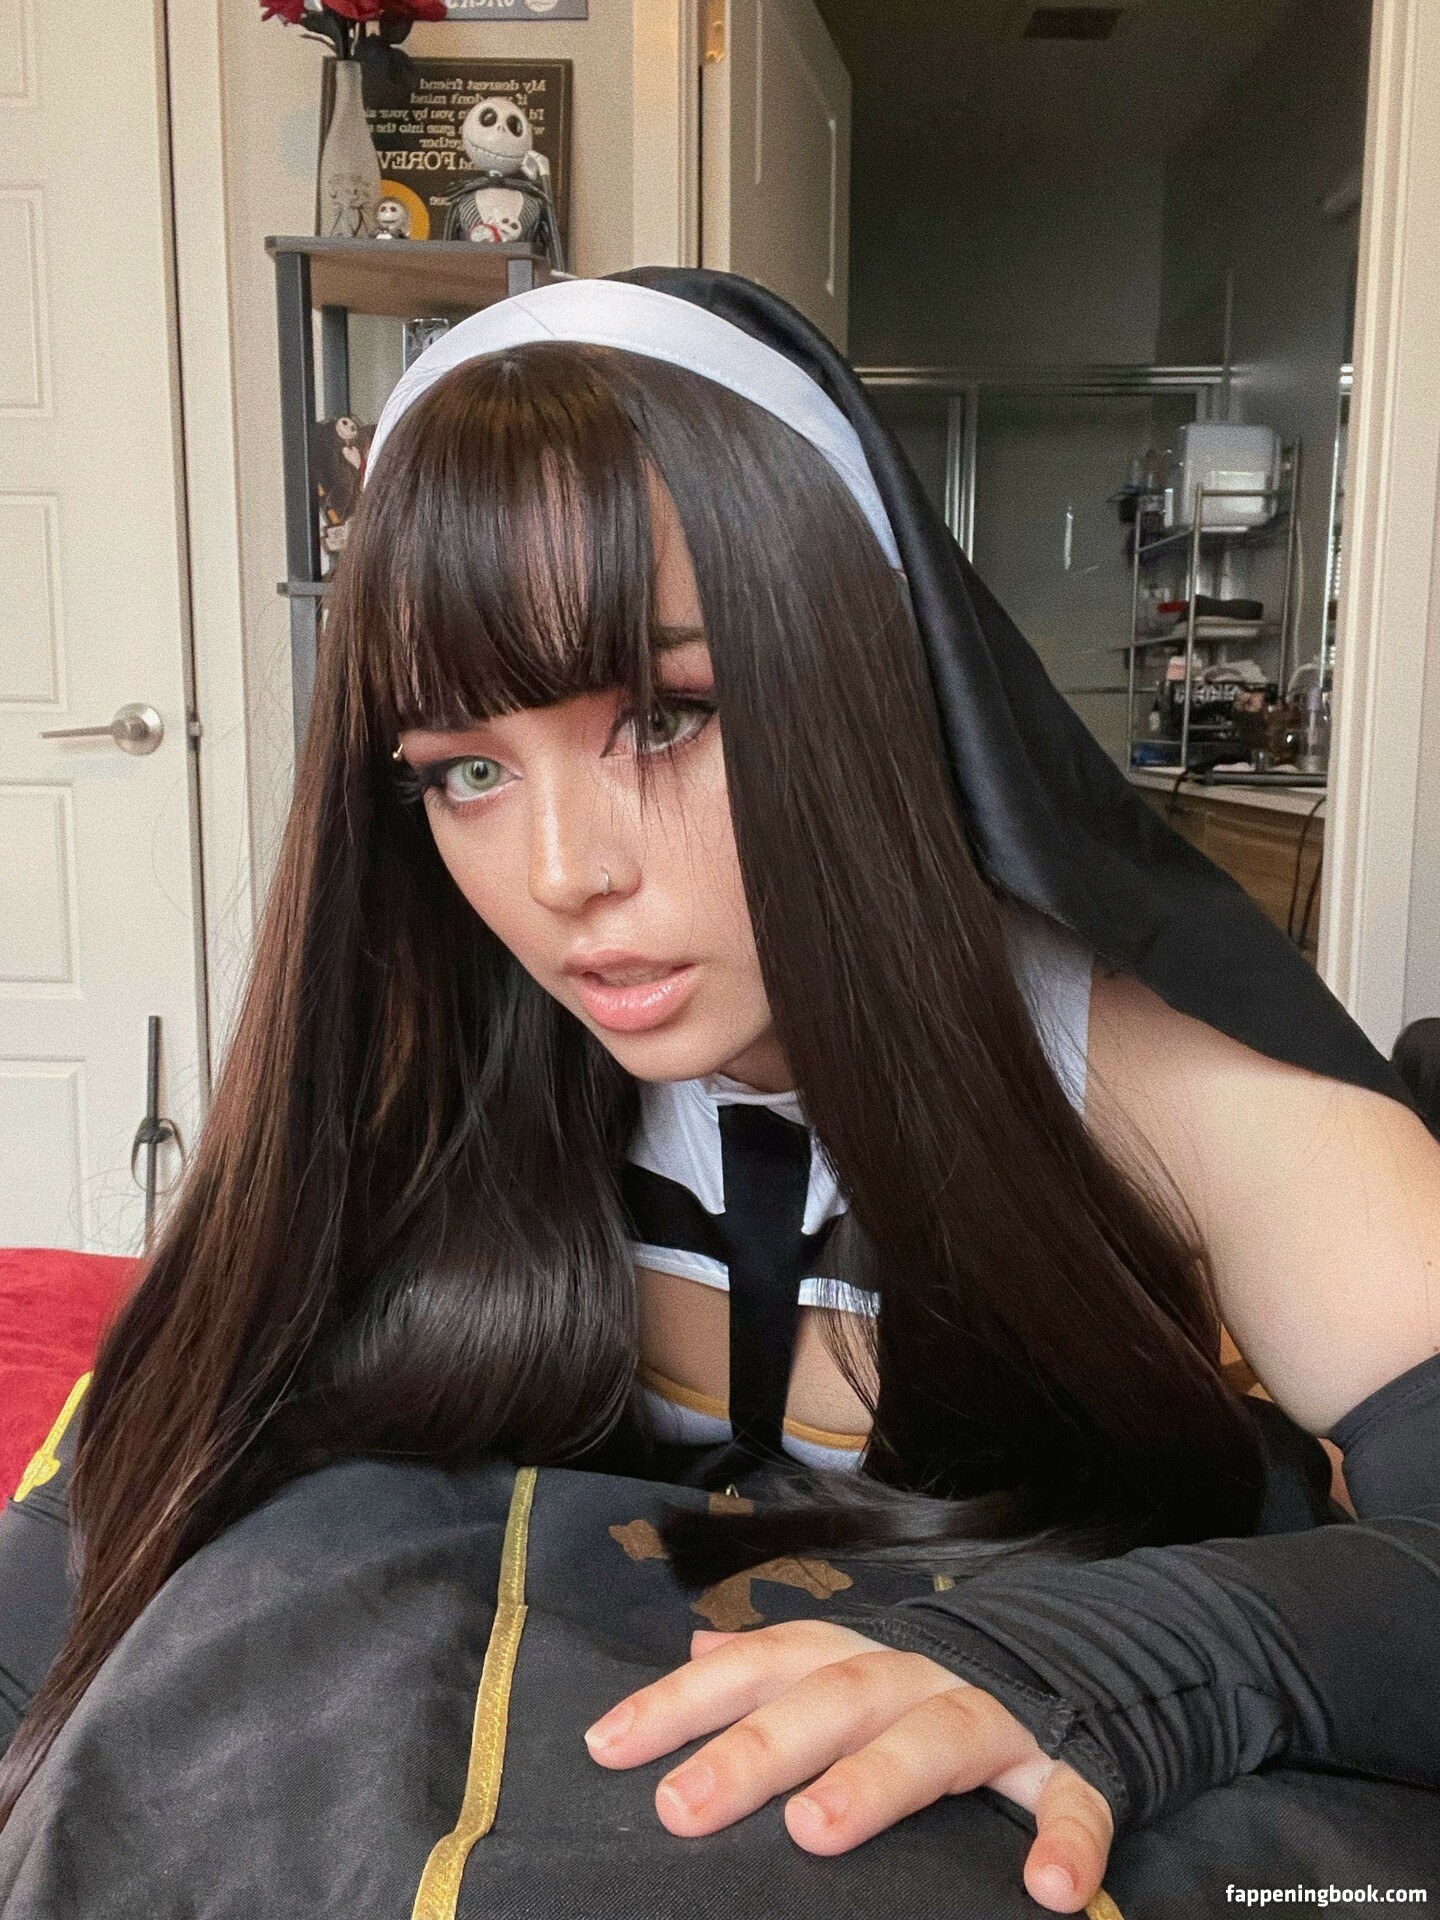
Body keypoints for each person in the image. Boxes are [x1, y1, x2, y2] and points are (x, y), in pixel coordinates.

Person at [1, 273, 1438, 1913]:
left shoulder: (1156, 1070)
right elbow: (108, 1524)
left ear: (864, 673)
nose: (563, 876)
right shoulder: (430, 1061)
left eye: (666, 717)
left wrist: (1130, 1656)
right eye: (466, 769)